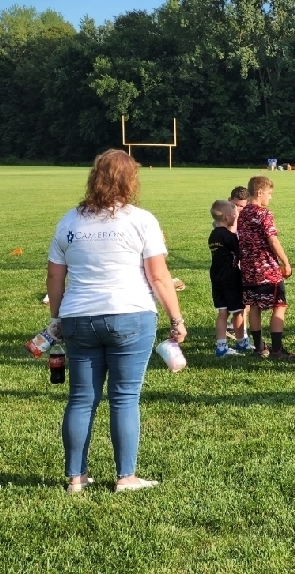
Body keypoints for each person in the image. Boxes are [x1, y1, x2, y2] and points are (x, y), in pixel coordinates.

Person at [46, 149, 186, 494]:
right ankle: (126, 477)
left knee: (81, 399)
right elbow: (159, 276)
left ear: (94, 178)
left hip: (78, 317)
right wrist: (176, 318)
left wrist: (56, 318)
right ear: (131, 180)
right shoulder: (141, 220)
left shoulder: (69, 222)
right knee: (124, 398)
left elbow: (54, 277)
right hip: (131, 314)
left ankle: (76, 478)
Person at [237, 176, 295, 360]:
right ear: (259, 192)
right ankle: (277, 349)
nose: (270, 198)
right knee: (279, 305)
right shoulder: (264, 214)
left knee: (254, 306)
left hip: (248, 269)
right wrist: (285, 261)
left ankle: (259, 347)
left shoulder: (243, 212)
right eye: (269, 194)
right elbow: (273, 240)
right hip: (266, 269)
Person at [209, 200, 250, 357]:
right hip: (231, 278)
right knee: (238, 312)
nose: (236, 217)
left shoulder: (213, 236)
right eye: (235, 215)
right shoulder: (231, 237)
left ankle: (221, 347)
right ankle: (241, 343)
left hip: (216, 277)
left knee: (222, 312)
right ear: (227, 218)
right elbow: (241, 254)